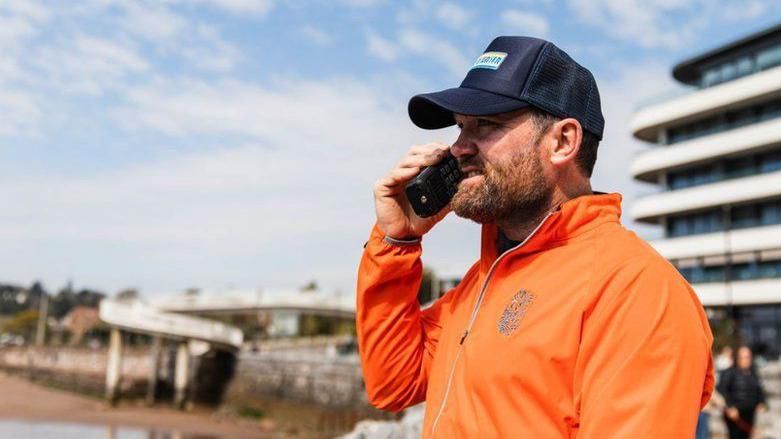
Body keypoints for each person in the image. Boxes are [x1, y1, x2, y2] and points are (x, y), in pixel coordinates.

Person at [356, 36, 715, 437]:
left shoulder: (637, 291)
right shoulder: (485, 282)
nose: (458, 148)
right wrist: (397, 243)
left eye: (486, 124)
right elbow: (394, 382)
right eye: (460, 128)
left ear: (563, 141)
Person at [717, 346, 767, 439]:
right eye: (743, 357)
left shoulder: (753, 373)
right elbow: (722, 391)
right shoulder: (729, 372)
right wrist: (729, 407)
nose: (746, 360)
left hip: (749, 413)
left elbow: (759, 390)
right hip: (735, 415)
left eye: (748, 357)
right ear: (737, 358)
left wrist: (762, 402)